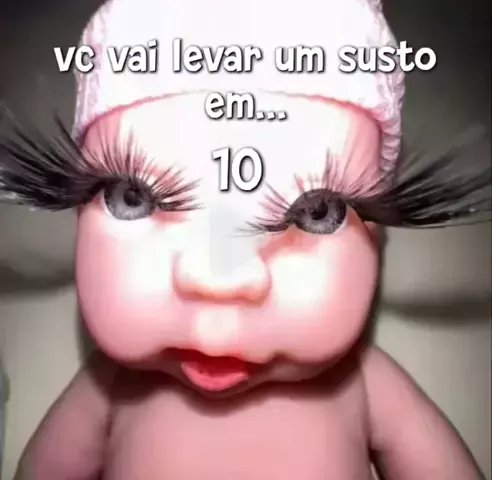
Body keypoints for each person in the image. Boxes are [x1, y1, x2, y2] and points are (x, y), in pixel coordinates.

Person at [0, 0, 489, 478]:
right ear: (79, 214)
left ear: (375, 236)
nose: (220, 278)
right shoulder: (111, 387)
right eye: (134, 198)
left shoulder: (361, 384)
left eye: (316, 213)